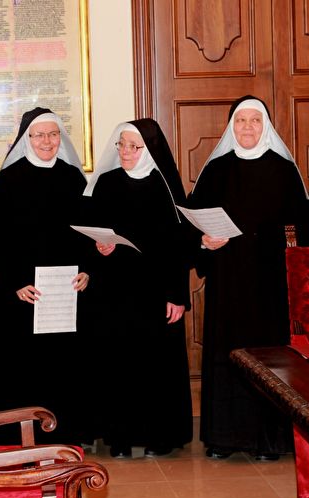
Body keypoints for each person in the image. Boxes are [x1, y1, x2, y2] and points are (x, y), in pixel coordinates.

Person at [188, 96, 309, 460]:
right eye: (241, 120)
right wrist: (203, 241)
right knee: (226, 356)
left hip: (270, 283)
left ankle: (268, 440)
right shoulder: (216, 170)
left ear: (266, 127)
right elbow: (191, 221)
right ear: (231, 126)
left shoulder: (283, 170)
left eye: (254, 120)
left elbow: (303, 229)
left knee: (268, 360)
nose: (247, 127)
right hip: (227, 280)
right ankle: (224, 438)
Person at [83, 118, 193, 457]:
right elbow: (91, 231)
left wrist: (177, 296)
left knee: (155, 368)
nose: (126, 152)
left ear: (149, 150)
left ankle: (159, 437)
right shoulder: (106, 183)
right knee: (119, 365)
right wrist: (99, 247)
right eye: (122, 145)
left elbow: (180, 246)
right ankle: (120, 438)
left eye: (134, 146)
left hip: (156, 293)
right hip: (114, 291)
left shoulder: (165, 187)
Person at [0, 107, 93, 444]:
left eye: (53, 134)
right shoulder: (8, 180)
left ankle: (69, 433)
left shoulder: (73, 177)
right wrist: (14, 282)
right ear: (26, 139)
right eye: (39, 135)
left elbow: (90, 231)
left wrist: (87, 270)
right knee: (25, 366)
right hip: (25, 293)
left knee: (65, 364)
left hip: (65, 292)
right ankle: (23, 438)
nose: (47, 141)